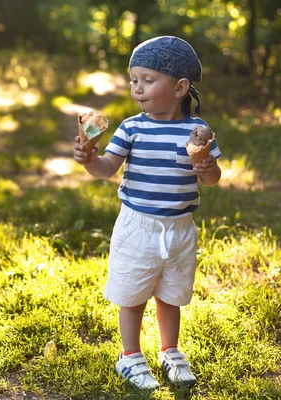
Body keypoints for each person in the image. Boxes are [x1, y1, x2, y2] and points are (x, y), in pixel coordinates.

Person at [73, 36, 221, 390]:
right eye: (133, 80)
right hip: (138, 227)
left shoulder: (198, 132)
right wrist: (90, 160)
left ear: (180, 87)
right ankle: (130, 355)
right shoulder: (132, 127)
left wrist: (207, 170)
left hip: (180, 229)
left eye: (148, 80)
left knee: (171, 295)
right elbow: (108, 168)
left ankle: (170, 350)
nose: (137, 88)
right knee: (134, 293)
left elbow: (214, 177)